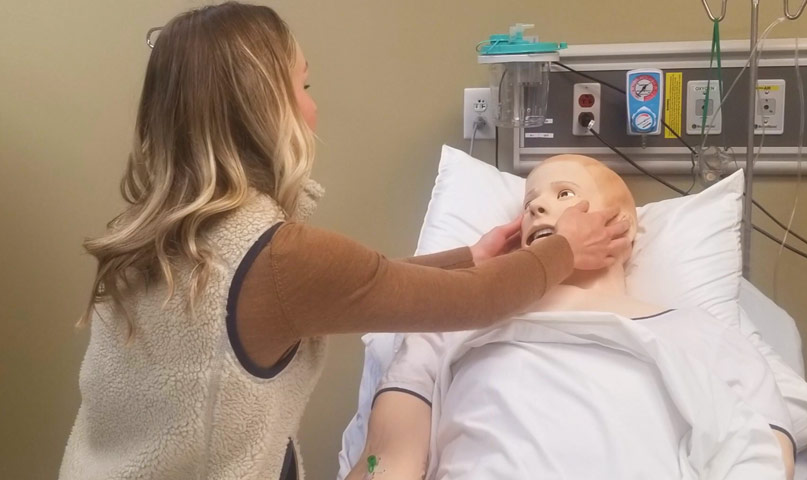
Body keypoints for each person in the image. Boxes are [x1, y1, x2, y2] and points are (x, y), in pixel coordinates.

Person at [58, 4, 630, 480]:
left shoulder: (149, 233)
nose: (313, 106)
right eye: (302, 86)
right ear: (266, 110)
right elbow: (470, 302)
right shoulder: (281, 258)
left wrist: (469, 257)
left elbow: (355, 285)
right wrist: (563, 249)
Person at [346, 155, 796, 480]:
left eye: (564, 194)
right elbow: (385, 463)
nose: (537, 208)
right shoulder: (449, 326)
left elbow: (764, 463)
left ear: (623, 225)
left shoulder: (705, 338)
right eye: (529, 204)